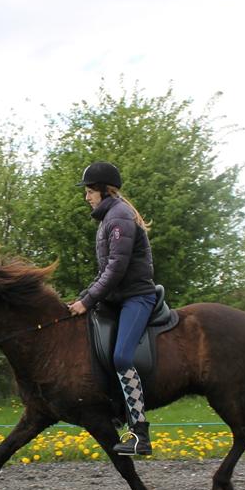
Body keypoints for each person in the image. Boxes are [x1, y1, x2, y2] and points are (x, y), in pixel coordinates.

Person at [67, 161, 158, 456]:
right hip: (117, 297)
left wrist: (88, 300)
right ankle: (115, 409)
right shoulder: (108, 219)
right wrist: (84, 297)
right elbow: (105, 271)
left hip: (136, 296)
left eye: (90, 190)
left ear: (105, 191)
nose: (86, 196)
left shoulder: (118, 218)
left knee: (121, 356)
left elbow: (116, 269)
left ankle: (140, 434)